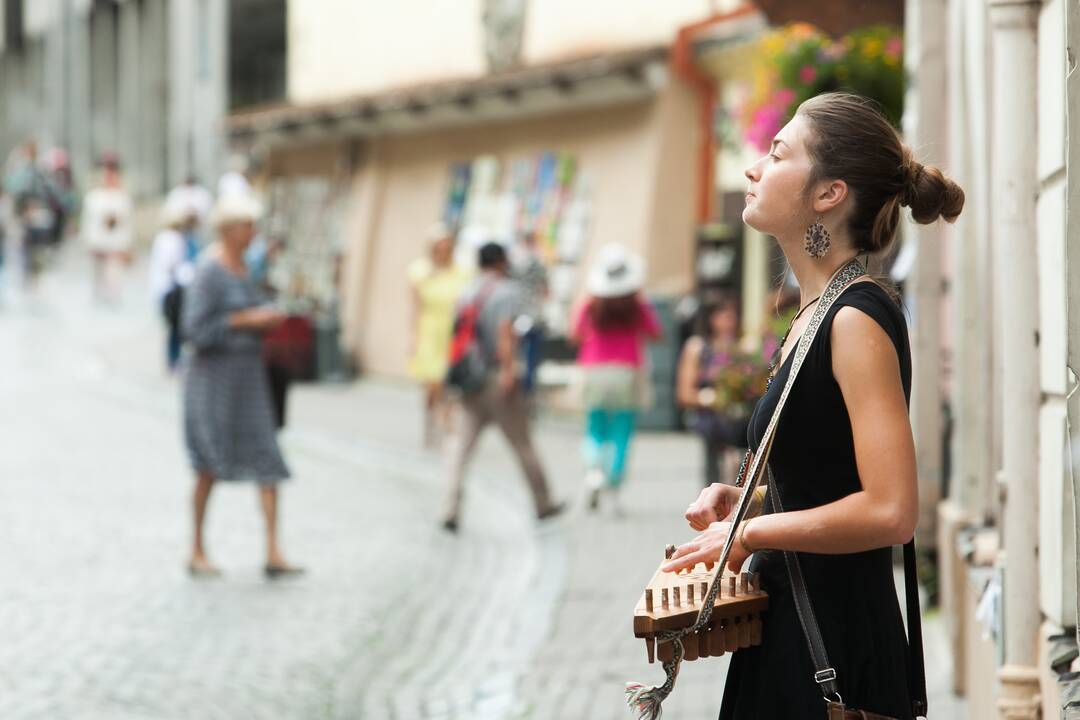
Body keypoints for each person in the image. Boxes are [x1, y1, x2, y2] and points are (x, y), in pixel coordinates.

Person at [662, 92, 964, 719]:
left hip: (832, 651)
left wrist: (747, 533)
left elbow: (890, 510)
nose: (754, 169)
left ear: (828, 194)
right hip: (796, 633)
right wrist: (748, 496)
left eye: (777, 154)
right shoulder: (816, 312)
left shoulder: (855, 318)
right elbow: (831, 474)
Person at [181, 192, 301, 578]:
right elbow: (195, 329)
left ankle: (273, 549)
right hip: (213, 383)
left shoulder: (246, 268)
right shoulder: (208, 270)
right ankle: (197, 547)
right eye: (248, 226)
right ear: (230, 229)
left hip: (249, 381)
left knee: (267, 460)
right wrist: (246, 320)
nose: (253, 233)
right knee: (208, 465)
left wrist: (266, 319)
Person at [442, 241, 565, 532]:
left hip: (469, 378)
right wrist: (510, 371)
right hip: (497, 378)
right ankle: (543, 502)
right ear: (500, 262)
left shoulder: (467, 290)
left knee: (460, 447)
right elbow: (505, 332)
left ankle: (450, 508)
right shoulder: (507, 291)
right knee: (522, 443)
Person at [571, 243, 661, 513]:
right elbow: (656, 333)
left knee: (594, 427)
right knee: (621, 431)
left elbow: (574, 334)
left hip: (594, 369)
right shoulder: (637, 305)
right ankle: (613, 488)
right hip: (627, 370)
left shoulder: (591, 304)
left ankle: (594, 472)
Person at [407, 222, 470, 448]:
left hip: (451, 331)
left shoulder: (460, 271)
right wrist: (413, 336)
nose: (444, 247)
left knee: (448, 381)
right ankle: (434, 419)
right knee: (432, 382)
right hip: (429, 330)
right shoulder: (420, 271)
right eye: (440, 244)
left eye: (447, 243)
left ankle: (446, 421)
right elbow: (415, 307)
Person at [676, 294, 749, 486]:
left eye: (732, 314)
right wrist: (709, 398)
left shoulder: (742, 347)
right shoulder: (697, 347)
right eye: (723, 314)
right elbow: (684, 393)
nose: (729, 320)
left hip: (740, 423)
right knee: (714, 476)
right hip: (711, 422)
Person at [149, 199, 199, 371]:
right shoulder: (173, 239)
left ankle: (175, 358)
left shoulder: (168, 238)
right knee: (176, 326)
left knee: (175, 326)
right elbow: (175, 265)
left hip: (168, 287)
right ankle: (173, 359)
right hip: (172, 288)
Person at [81, 153, 134, 303]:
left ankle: (112, 299)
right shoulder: (94, 196)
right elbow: (88, 222)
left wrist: (126, 247)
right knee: (97, 278)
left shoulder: (122, 197)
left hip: (116, 245)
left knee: (114, 278)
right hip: (98, 243)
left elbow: (127, 224)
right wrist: (88, 243)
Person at [512, 230, 549, 395]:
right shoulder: (538, 262)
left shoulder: (516, 263)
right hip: (533, 314)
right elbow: (545, 289)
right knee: (531, 356)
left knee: (519, 353)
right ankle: (527, 388)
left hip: (520, 314)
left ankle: (521, 386)